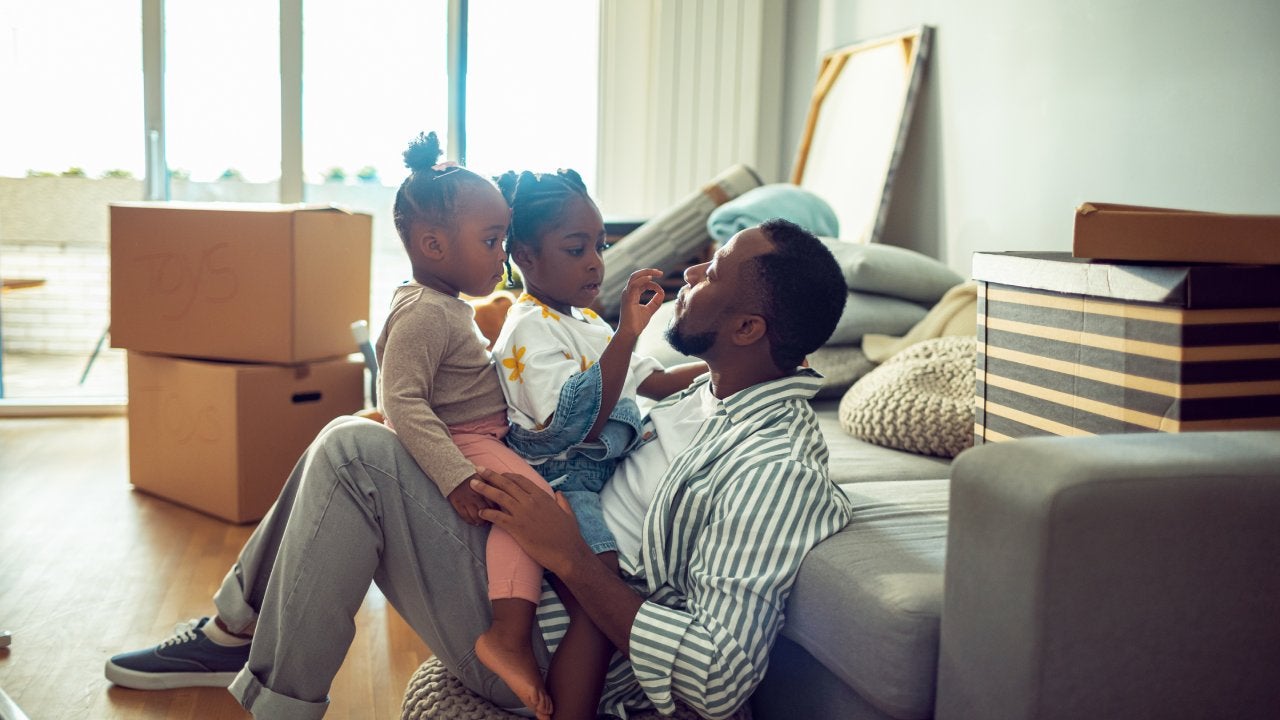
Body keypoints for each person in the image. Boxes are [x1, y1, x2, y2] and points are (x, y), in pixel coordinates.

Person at [105, 212, 851, 720]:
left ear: (750, 327)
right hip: (539, 560)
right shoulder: (710, 391)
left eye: (715, 269)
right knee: (367, 435)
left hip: (553, 638)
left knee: (353, 453)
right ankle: (235, 629)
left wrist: (566, 553)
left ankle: (252, 666)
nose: (692, 270)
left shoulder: (773, 464)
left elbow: (719, 681)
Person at [489, 168, 708, 719]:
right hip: (563, 480)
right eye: (575, 248)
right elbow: (575, 423)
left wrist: (725, 368)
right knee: (599, 596)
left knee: (610, 594)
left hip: (600, 475)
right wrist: (630, 332)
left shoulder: (585, 320)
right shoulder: (525, 329)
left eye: (600, 245)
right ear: (526, 257)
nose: (595, 261)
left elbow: (651, 381)